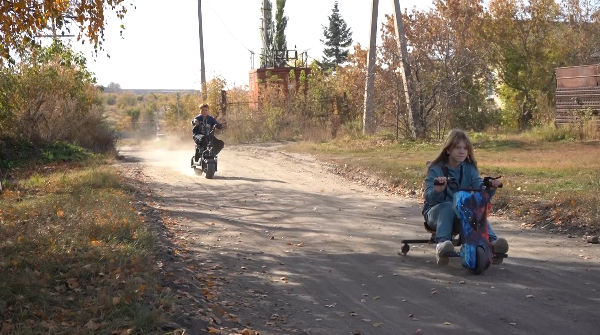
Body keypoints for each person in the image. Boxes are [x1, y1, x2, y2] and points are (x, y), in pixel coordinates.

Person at [423, 129, 508, 266]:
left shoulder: (469, 169)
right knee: (447, 206)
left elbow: (480, 190)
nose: (462, 151)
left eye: (465, 148)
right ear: (449, 150)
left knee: (474, 207)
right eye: (457, 147)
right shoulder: (436, 168)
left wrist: (490, 188)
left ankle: (493, 243)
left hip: (460, 214)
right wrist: (437, 190)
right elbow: (429, 197)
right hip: (436, 214)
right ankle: (442, 244)